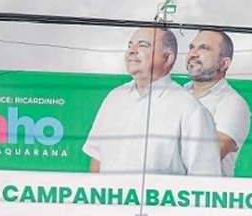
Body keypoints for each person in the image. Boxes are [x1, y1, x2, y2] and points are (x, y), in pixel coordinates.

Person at [84, 27, 220, 176]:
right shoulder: (114, 98)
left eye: (142, 45)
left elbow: (205, 178)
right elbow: (97, 160)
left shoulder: (190, 110)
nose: (132, 51)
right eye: (130, 45)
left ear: (168, 58)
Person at [185, 29, 250, 176]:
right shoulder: (176, 94)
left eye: (204, 48)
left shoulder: (232, 103)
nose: (193, 54)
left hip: (202, 196)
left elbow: (206, 158)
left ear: (224, 63)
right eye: (191, 47)